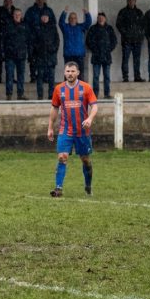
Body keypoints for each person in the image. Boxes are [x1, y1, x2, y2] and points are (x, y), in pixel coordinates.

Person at [47, 61, 98, 197]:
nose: (70, 74)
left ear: (78, 73)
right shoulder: (59, 89)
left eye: (73, 71)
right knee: (62, 157)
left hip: (82, 131)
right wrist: (50, 127)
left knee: (85, 160)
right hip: (65, 130)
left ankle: (88, 185)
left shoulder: (86, 88)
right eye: (68, 71)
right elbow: (54, 108)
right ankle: (58, 189)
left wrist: (89, 119)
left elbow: (94, 106)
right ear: (64, 73)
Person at [25, 0, 57, 83]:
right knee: (33, 59)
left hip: (45, 41)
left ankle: (45, 78)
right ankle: (33, 77)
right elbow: (26, 24)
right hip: (33, 39)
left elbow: (53, 23)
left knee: (46, 59)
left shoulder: (49, 11)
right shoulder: (30, 10)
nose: (40, 0)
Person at [85, 12, 117, 99]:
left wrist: (108, 49)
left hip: (106, 56)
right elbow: (88, 41)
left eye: (102, 17)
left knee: (107, 76)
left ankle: (107, 94)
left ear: (105, 19)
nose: (101, 19)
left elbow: (114, 41)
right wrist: (95, 49)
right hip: (96, 56)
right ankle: (95, 94)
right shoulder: (93, 29)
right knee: (96, 76)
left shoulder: (109, 28)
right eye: (99, 17)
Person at [115, 0, 146, 82]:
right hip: (126, 41)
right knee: (125, 59)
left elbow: (143, 25)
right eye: (130, 0)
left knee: (137, 60)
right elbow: (119, 24)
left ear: (135, 1)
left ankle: (137, 77)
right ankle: (125, 77)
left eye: (133, 0)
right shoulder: (123, 12)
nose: (131, 2)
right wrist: (125, 33)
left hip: (137, 40)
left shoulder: (139, 12)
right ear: (127, 1)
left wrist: (140, 35)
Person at [2, 8, 31, 101]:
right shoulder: (8, 26)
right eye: (15, 14)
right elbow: (3, 40)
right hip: (10, 55)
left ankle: (20, 94)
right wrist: (4, 52)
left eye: (19, 14)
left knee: (20, 76)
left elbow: (29, 40)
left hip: (21, 55)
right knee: (9, 75)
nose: (17, 16)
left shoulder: (25, 26)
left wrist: (28, 53)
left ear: (21, 15)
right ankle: (9, 95)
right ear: (13, 15)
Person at [58, 6, 92, 81]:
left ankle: (79, 92)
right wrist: (64, 13)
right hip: (68, 55)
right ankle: (68, 92)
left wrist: (87, 13)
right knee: (68, 75)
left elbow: (88, 22)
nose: (73, 19)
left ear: (77, 19)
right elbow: (60, 22)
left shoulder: (81, 27)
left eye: (74, 18)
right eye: (71, 18)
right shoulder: (65, 27)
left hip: (79, 55)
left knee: (79, 75)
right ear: (68, 19)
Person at [33, 14, 60, 100]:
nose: (44, 18)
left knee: (51, 77)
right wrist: (38, 50)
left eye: (46, 17)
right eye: (43, 17)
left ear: (48, 18)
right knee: (40, 77)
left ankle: (51, 95)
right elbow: (33, 41)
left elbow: (57, 41)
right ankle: (40, 95)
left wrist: (53, 49)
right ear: (41, 18)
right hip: (40, 57)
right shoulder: (37, 28)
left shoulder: (53, 28)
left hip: (51, 57)